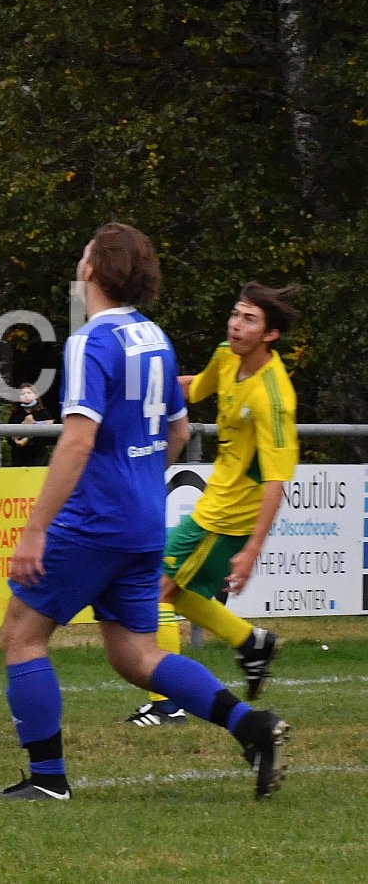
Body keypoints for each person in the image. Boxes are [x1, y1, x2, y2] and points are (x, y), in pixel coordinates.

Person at [0, 223, 288, 801]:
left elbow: (77, 440)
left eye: (83, 256)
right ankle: (249, 725)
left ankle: (48, 781)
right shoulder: (154, 337)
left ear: (94, 271)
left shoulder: (91, 341)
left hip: (96, 519)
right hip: (145, 516)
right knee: (136, 653)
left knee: (22, 635)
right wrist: (138, 482)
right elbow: (178, 429)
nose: (78, 263)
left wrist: (35, 530)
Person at [125, 282, 300, 727]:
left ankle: (168, 703)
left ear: (270, 335)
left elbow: (278, 479)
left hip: (230, 516)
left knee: (156, 589)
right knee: (175, 591)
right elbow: (194, 388)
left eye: (249, 320)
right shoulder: (227, 356)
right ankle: (249, 641)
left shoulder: (273, 397)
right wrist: (139, 387)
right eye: (236, 314)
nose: (236, 325)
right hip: (214, 505)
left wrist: (251, 551)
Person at [6, 383, 56, 468]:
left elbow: (52, 438)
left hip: (39, 454)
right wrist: (16, 441)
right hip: (20, 456)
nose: (26, 396)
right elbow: (9, 435)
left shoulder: (43, 413)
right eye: (23, 394)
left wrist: (33, 436)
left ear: (36, 395)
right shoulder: (15, 414)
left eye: (29, 393)